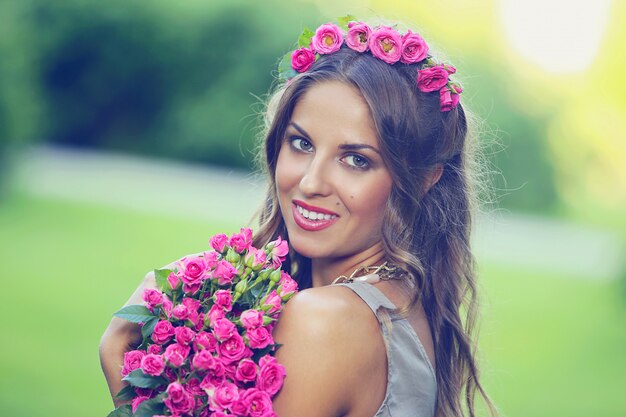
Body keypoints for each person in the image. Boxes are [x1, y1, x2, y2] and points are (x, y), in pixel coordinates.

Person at [100, 18, 497, 417]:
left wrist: (118, 351)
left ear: (424, 180)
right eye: (301, 143)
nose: (310, 182)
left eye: (356, 160)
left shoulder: (324, 322)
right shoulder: (402, 301)